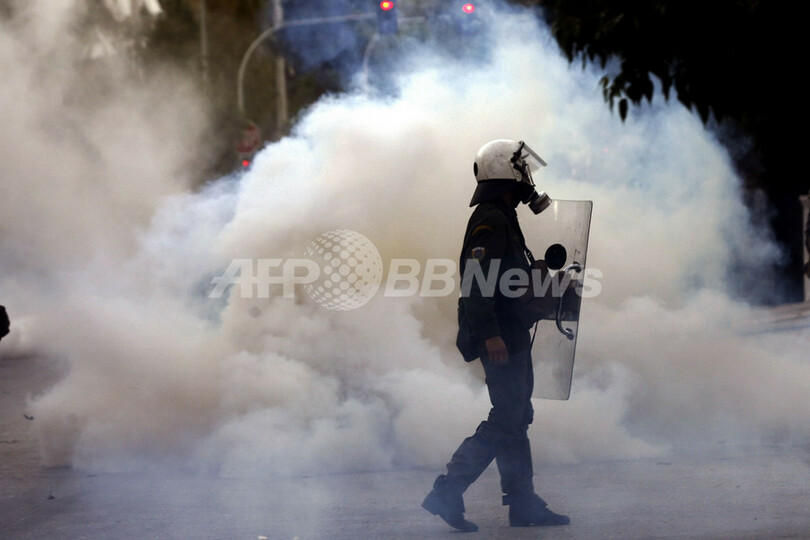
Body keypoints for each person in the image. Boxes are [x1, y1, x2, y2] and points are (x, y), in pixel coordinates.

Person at [421, 140, 569, 532]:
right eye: (522, 170)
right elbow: (476, 281)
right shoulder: (492, 218)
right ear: (507, 173)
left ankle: (521, 504)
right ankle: (449, 490)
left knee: (516, 416)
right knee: (506, 418)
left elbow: (503, 278)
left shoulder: (504, 215)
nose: (528, 179)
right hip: (500, 334)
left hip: (511, 331)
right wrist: (489, 335)